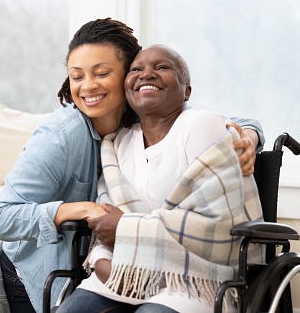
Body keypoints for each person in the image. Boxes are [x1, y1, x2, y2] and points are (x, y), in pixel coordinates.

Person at [0, 19, 263, 313]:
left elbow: (214, 119)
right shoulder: (62, 135)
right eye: (77, 76)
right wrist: (84, 209)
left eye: (102, 73)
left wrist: (248, 134)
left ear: (125, 76)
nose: (88, 86)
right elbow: (2, 217)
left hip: (150, 264)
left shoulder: (144, 116)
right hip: (47, 262)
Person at [56, 45, 264, 313]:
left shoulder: (200, 125)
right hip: (126, 272)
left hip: (193, 281)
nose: (147, 75)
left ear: (187, 90)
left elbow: (218, 224)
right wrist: (102, 263)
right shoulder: (117, 143)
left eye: (162, 68)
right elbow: (103, 222)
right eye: (136, 69)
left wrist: (126, 228)